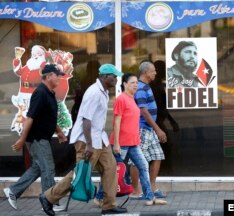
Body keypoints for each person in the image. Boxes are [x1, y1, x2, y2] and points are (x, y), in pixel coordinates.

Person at [38, 64, 128, 216]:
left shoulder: (103, 91)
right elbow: (86, 120)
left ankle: (109, 205)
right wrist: (90, 145)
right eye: (114, 76)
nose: (116, 79)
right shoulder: (94, 92)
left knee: (111, 168)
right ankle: (48, 197)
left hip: (100, 139)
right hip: (88, 141)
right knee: (80, 173)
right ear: (105, 77)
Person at [94, 73, 167, 206]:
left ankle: (150, 198)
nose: (135, 85)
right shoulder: (121, 99)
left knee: (143, 166)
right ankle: (99, 197)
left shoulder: (132, 98)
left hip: (133, 142)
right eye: (132, 82)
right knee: (112, 171)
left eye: (136, 83)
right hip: (121, 143)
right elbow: (116, 121)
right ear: (125, 84)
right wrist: (116, 143)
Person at [3, 64, 67, 210]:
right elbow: (30, 117)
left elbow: (47, 117)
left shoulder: (49, 93)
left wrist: (59, 132)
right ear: (49, 75)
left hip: (41, 137)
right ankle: (49, 202)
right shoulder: (40, 93)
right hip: (37, 139)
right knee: (48, 168)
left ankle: (13, 191)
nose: (59, 78)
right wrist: (21, 139)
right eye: (57, 75)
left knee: (38, 168)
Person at [130, 61, 167, 198]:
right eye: (153, 71)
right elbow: (144, 111)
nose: (155, 73)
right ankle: (135, 191)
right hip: (142, 129)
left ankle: (152, 187)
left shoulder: (146, 86)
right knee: (136, 160)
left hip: (148, 129)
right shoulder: (140, 88)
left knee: (157, 156)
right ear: (146, 72)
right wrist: (158, 129)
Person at [152, 60, 179, 175]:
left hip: (159, 121)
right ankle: (164, 171)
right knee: (164, 147)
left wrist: (172, 121)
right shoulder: (154, 86)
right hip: (155, 122)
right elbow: (157, 107)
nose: (166, 72)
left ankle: (165, 170)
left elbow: (163, 107)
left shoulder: (159, 85)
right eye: (164, 69)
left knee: (165, 146)